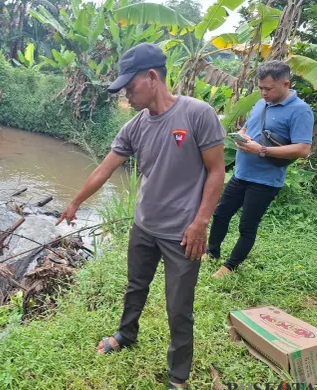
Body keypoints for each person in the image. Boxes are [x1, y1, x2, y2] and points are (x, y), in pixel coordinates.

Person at [56, 43, 226, 389]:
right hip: (144, 225)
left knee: (179, 307)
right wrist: (75, 201)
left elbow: (216, 171)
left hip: (183, 233)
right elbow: (104, 169)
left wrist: (200, 222)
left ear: (152, 77)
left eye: (129, 87)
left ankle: (177, 376)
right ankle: (126, 333)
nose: (126, 96)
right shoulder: (133, 127)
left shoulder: (197, 113)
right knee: (136, 286)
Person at [207, 61, 314, 278]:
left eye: (269, 88)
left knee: (247, 226)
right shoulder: (260, 103)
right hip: (240, 174)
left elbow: (303, 149)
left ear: (286, 84)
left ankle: (229, 267)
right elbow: (248, 127)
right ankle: (211, 253)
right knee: (220, 214)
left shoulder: (301, 111)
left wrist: (261, 150)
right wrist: (242, 136)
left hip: (265, 181)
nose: (263, 93)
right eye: (261, 88)